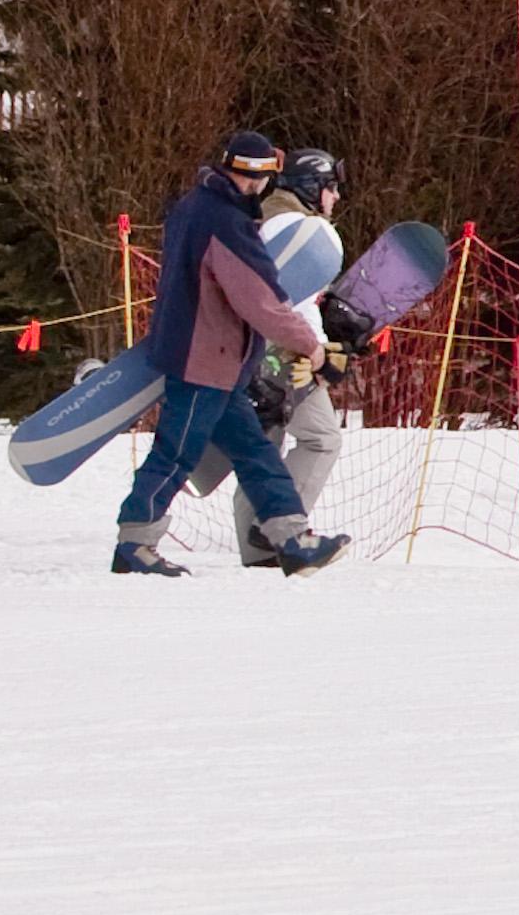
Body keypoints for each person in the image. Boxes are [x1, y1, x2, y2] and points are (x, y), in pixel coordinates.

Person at [114, 130, 344, 580]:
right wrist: (312, 347)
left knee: (256, 452)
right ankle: (135, 542)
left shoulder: (195, 206)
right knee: (177, 452)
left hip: (212, 358)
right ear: (257, 177)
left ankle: (292, 539)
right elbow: (259, 300)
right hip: (203, 359)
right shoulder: (226, 222)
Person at [177, 143, 375, 536]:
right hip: (282, 357)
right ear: (312, 185)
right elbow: (285, 298)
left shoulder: (272, 218)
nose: (336, 197)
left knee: (268, 444)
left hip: (264, 351)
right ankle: (280, 530)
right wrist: (320, 351)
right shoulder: (298, 229)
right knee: (319, 439)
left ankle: (261, 544)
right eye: (331, 187)